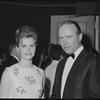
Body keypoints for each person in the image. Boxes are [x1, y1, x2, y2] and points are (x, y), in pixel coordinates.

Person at [50, 20, 100, 99]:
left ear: (80, 37)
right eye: (61, 38)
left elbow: (95, 96)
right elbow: (55, 95)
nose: (64, 42)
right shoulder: (61, 64)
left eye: (69, 37)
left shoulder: (93, 61)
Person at [0, 25, 45, 98]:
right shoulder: (9, 73)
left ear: (36, 47)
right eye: (24, 46)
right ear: (17, 48)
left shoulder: (41, 73)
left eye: (32, 46)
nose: (28, 50)